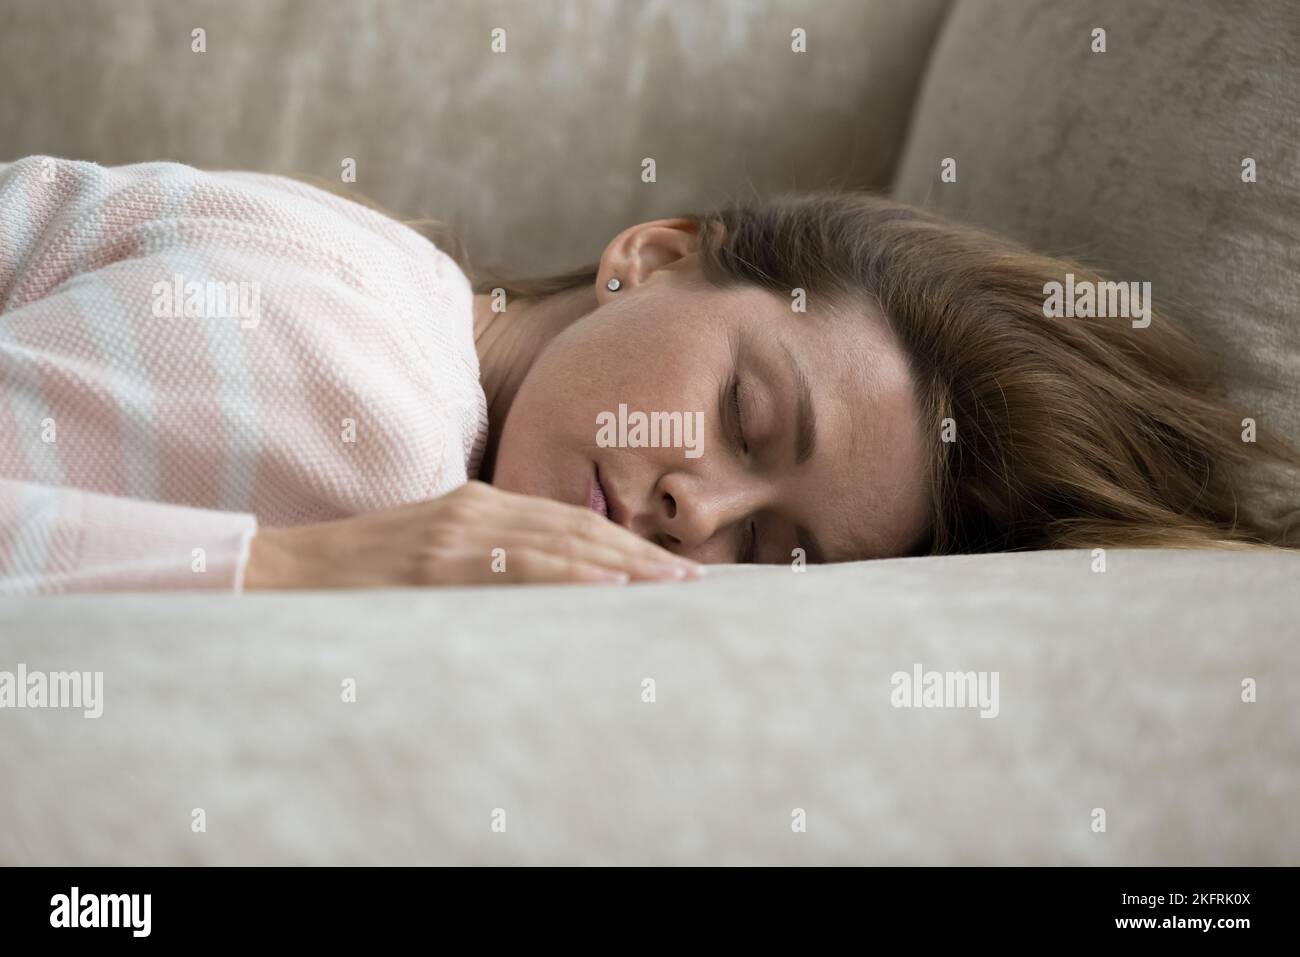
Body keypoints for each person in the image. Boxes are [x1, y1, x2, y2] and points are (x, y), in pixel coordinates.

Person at [1, 157, 1294, 593]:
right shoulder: (370, 411)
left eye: (777, 550)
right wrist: (309, 566)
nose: (703, 515)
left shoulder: (399, 304)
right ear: (656, 255)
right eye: (747, 416)